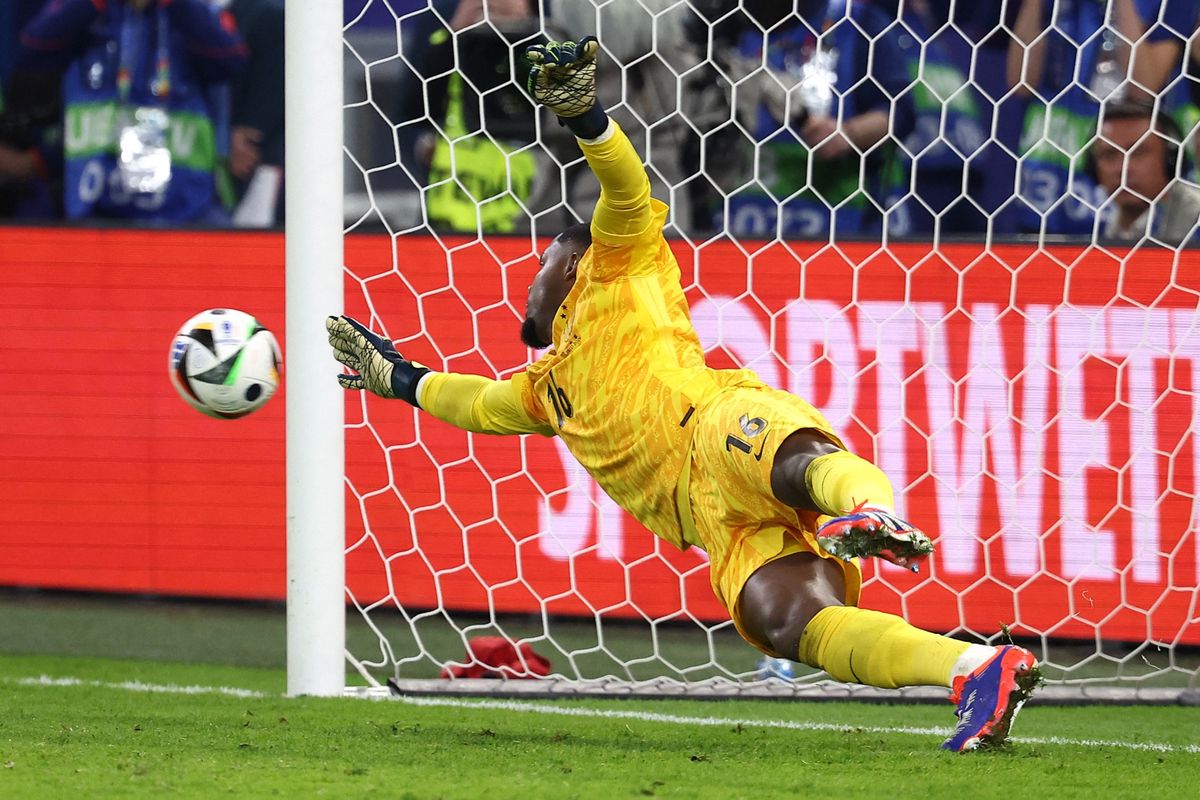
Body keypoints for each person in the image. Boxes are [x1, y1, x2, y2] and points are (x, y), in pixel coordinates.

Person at [326, 37, 1040, 752]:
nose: (532, 279)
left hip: (712, 421)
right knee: (784, 623)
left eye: (541, 261)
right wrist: (398, 379)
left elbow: (627, 188)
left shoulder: (620, 260)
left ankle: (869, 509)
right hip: (715, 527)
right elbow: (476, 404)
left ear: (574, 260)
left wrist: (587, 118)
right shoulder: (549, 391)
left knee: (794, 460)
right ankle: (976, 668)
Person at [18, 0, 246, 223]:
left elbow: (232, 60)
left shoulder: (198, 9)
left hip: (185, 208)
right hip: (95, 203)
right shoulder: (87, 11)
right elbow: (33, 50)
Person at [1092, 99, 1200, 245]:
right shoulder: (1109, 228)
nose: (1122, 168)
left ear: (1170, 159)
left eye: (1137, 152)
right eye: (1109, 155)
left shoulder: (1196, 220)